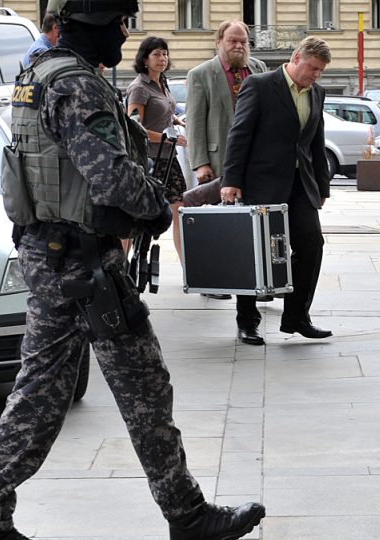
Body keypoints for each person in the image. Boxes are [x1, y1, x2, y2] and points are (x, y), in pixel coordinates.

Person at [0, 0, 265, 537]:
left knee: (49, 389)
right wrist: (155, 202)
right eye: (120, 25)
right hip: (81, 264)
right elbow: (110, 177)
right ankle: (186, 515)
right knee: (135, 385)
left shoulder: (36, 75)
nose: (125, 37)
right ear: (95, 27)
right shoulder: (77, 85)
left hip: (56, 254)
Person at [220, 36, 332, 346]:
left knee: (311, 244)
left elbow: (315, 142)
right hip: (262, 183)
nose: (315, 75)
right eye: (312, 68)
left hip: (300, 185)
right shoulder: (259, 85)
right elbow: (239, 134)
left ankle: (297, 316)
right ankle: (248, 322)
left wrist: (322, 185)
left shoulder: (317, 92)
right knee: (255, 253)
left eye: (321, 71)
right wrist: (231, 179)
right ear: (296, 58)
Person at [185, 20, 267, 300]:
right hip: (218, 159)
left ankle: (257, 281)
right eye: (233, 40)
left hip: (255, 161)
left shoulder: (258, 69)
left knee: (254, 223)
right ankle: (213, 282)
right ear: (219, 41)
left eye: (243, 41)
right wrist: (200, 163)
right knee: (218, 227)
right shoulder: (201, 74)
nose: (239, 46)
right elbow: (194, 122)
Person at [126, 36, 189, 264]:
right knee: (137, 214)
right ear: (145, 59)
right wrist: (166, 138)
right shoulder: (139, 88)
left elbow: (162, 109)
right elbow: (134, 127)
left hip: (167, 157)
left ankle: (188, 267)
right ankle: (122, 266)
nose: (162, 58)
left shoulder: (162, 82)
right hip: (149, 160)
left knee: (180, 209)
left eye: (164, 53)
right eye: (156, 54)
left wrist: (174, 120)